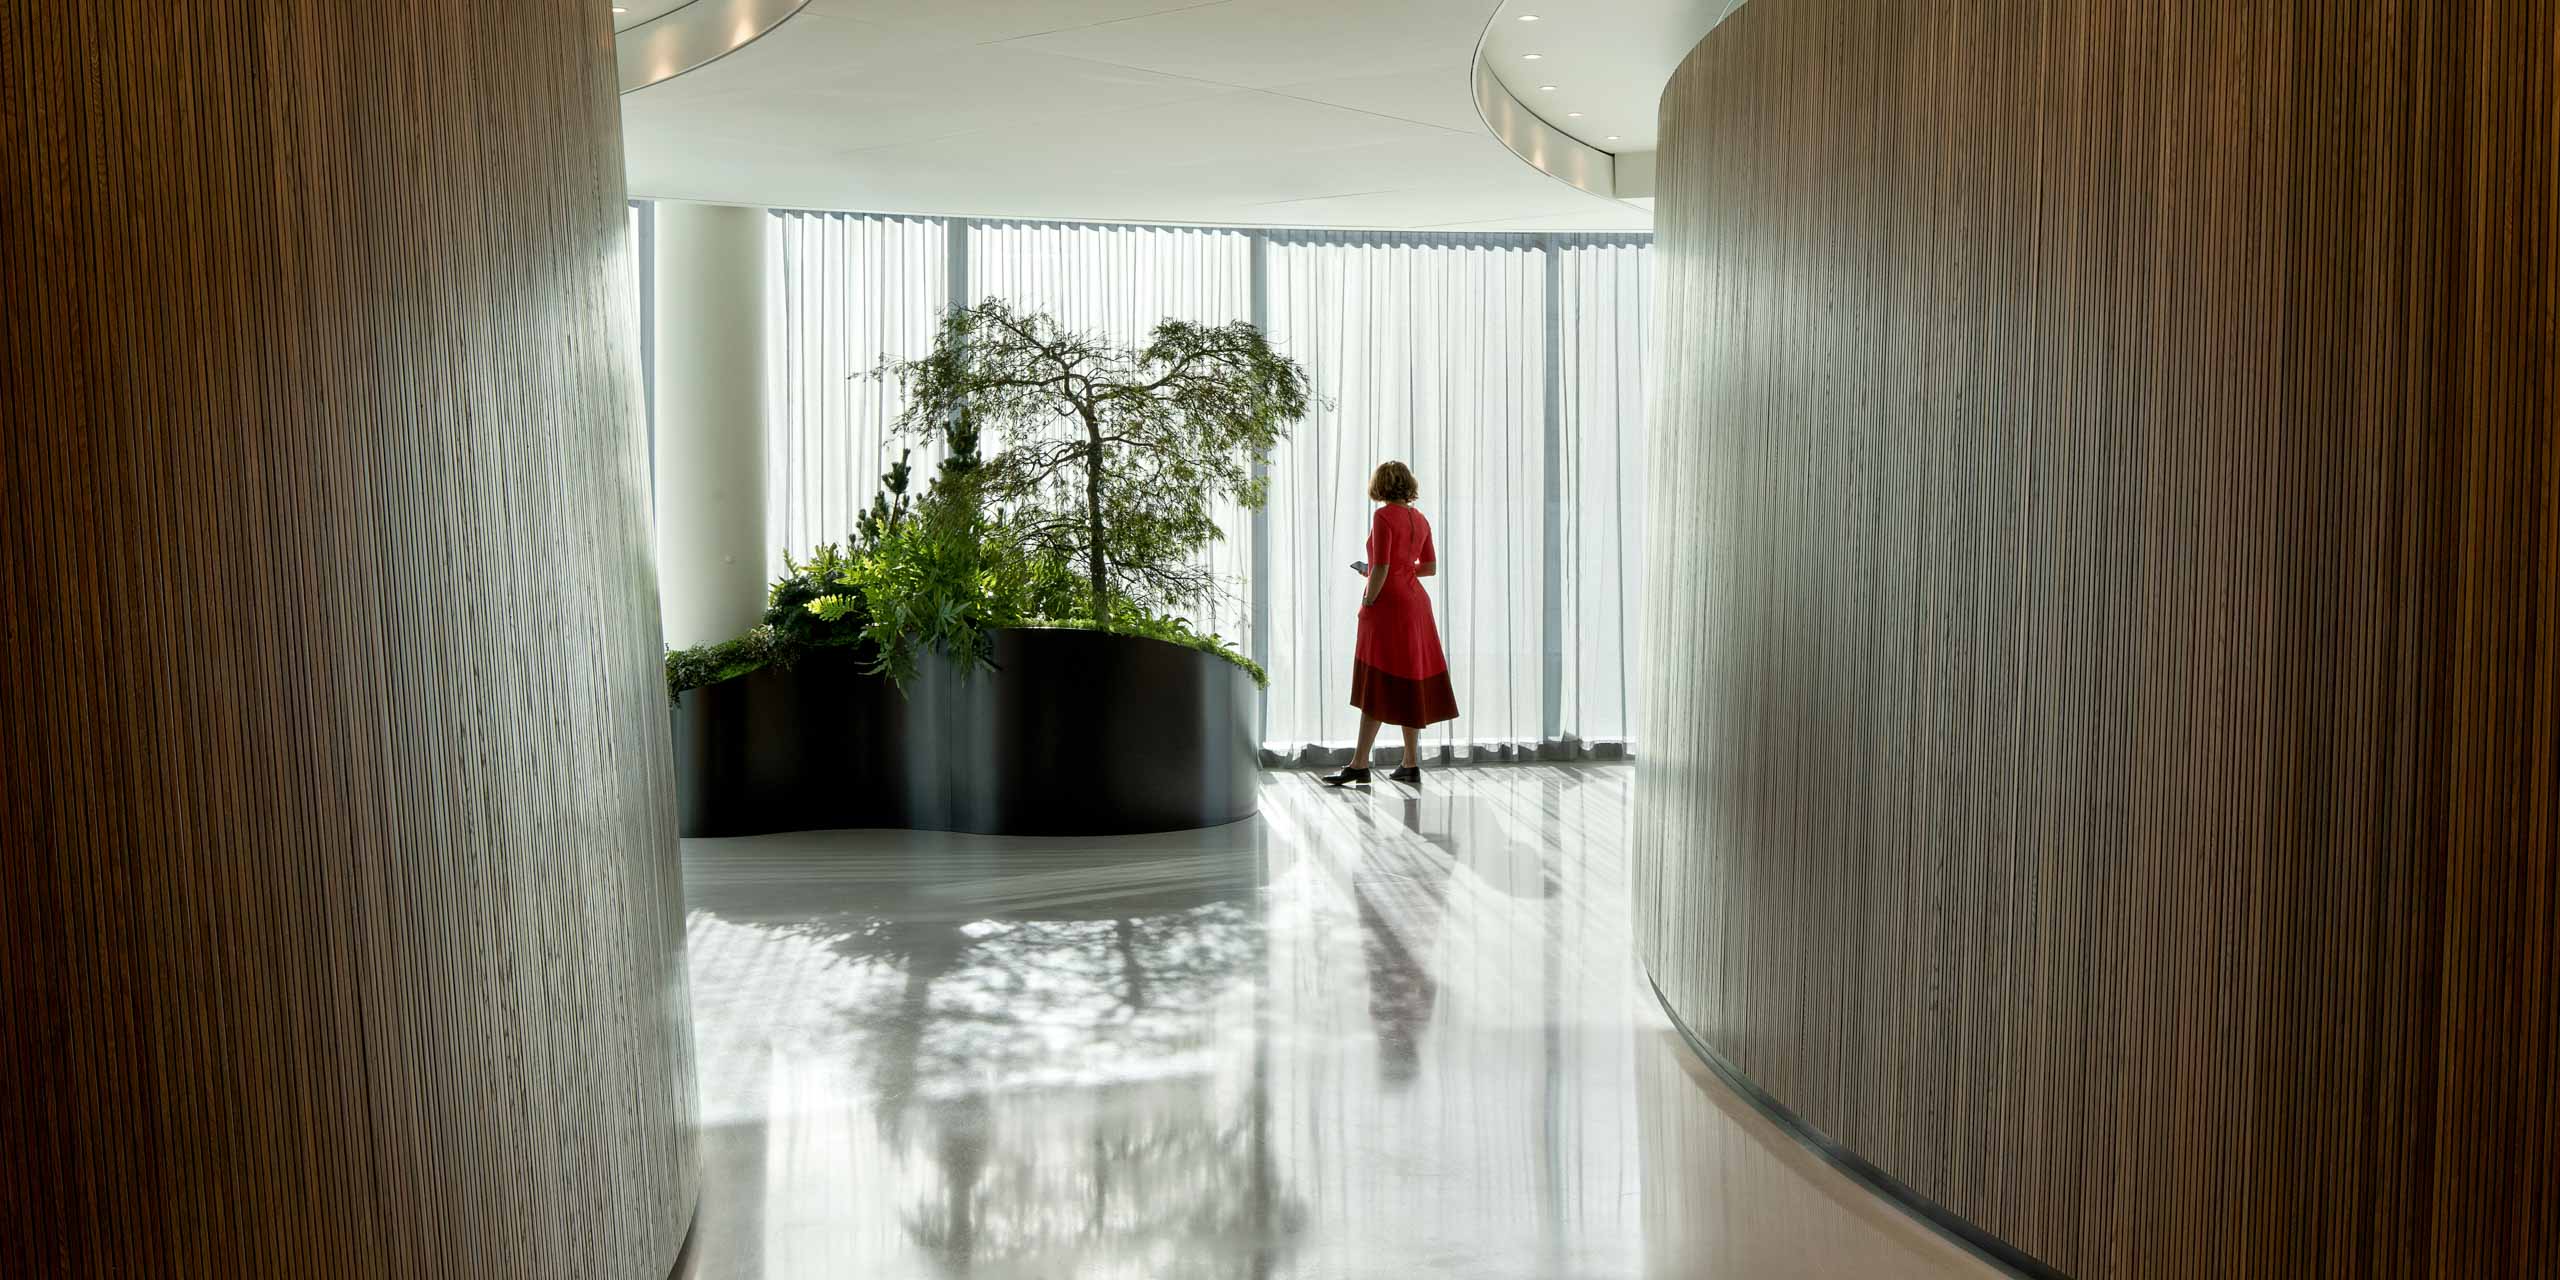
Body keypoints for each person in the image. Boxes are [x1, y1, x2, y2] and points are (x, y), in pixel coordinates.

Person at [1322, 461, 1459, 788]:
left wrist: (1368, 597)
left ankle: (1359, 764)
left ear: (1380, 486)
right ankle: (1409, 763)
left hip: (1390, 605)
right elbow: (1428, 567)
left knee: (1379, 682)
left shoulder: (1383, 516)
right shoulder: (1420, 518)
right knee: (1408, 680)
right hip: (1416, 603)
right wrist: (1395, 569)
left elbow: (1381, 567)